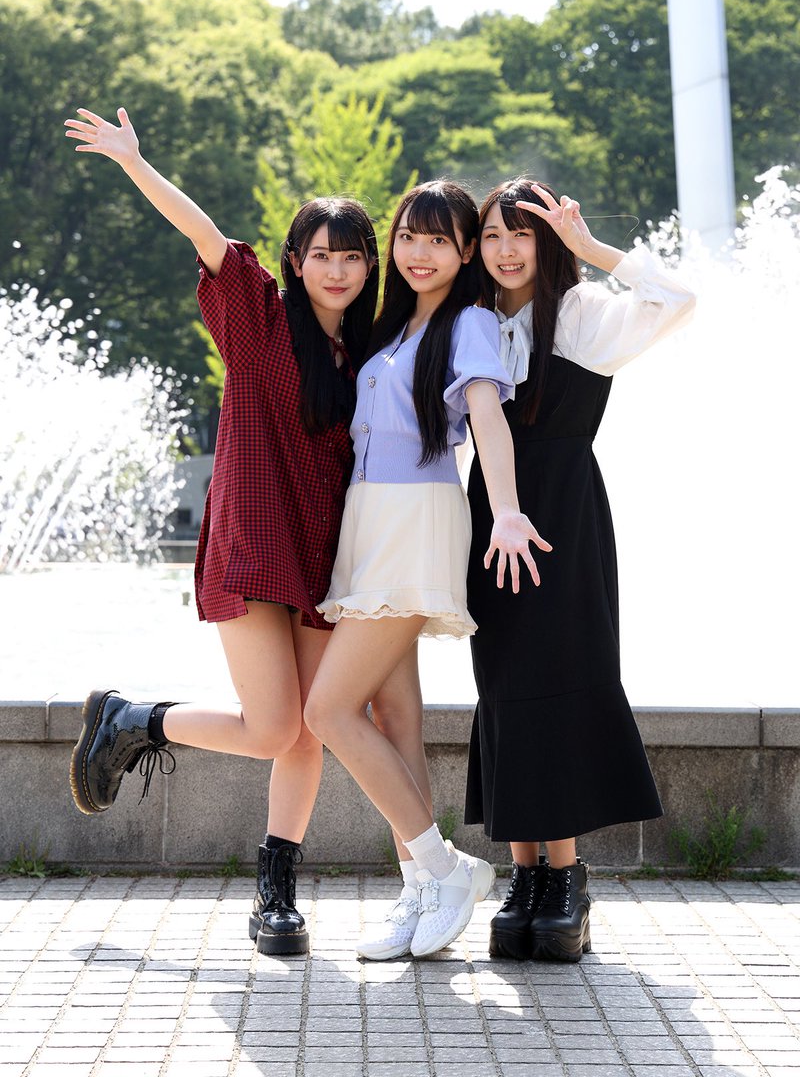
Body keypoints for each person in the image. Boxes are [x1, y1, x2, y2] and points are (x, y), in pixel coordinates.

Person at [63, 105, 403, 957]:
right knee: (273, 728)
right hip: (255, 543)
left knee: (312, 725)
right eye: (321, 254)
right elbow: (204, 233)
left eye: (352, 255)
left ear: (369, 266)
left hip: (327, 559)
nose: (336, 269)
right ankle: (136, 720)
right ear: (296, 261)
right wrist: (134, 162)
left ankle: (276, 894)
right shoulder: (258, 320)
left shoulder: (371, 357)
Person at [303, 180, 552, 959]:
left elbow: (486, 417)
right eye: (409, 236)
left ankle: (444, 870)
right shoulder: (392, 327)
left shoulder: (468, 322)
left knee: (327, 712)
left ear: (464, 251)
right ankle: (418, 892)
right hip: (370, 519)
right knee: (394, 718)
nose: (419, 253)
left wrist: (505, 510)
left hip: (415, 520)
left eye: (439, 240)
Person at [465, 178, 696, 962]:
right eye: (492, 235)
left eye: (522, 234)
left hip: (563, 513)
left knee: (557, 676)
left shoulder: (582, 313)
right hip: (491, 513)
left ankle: (565, 881)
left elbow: (679, 300)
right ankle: (524, 875)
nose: (505, 250)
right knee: (502, 682)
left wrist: (593, 249)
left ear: (548, 242)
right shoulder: (475, 321)